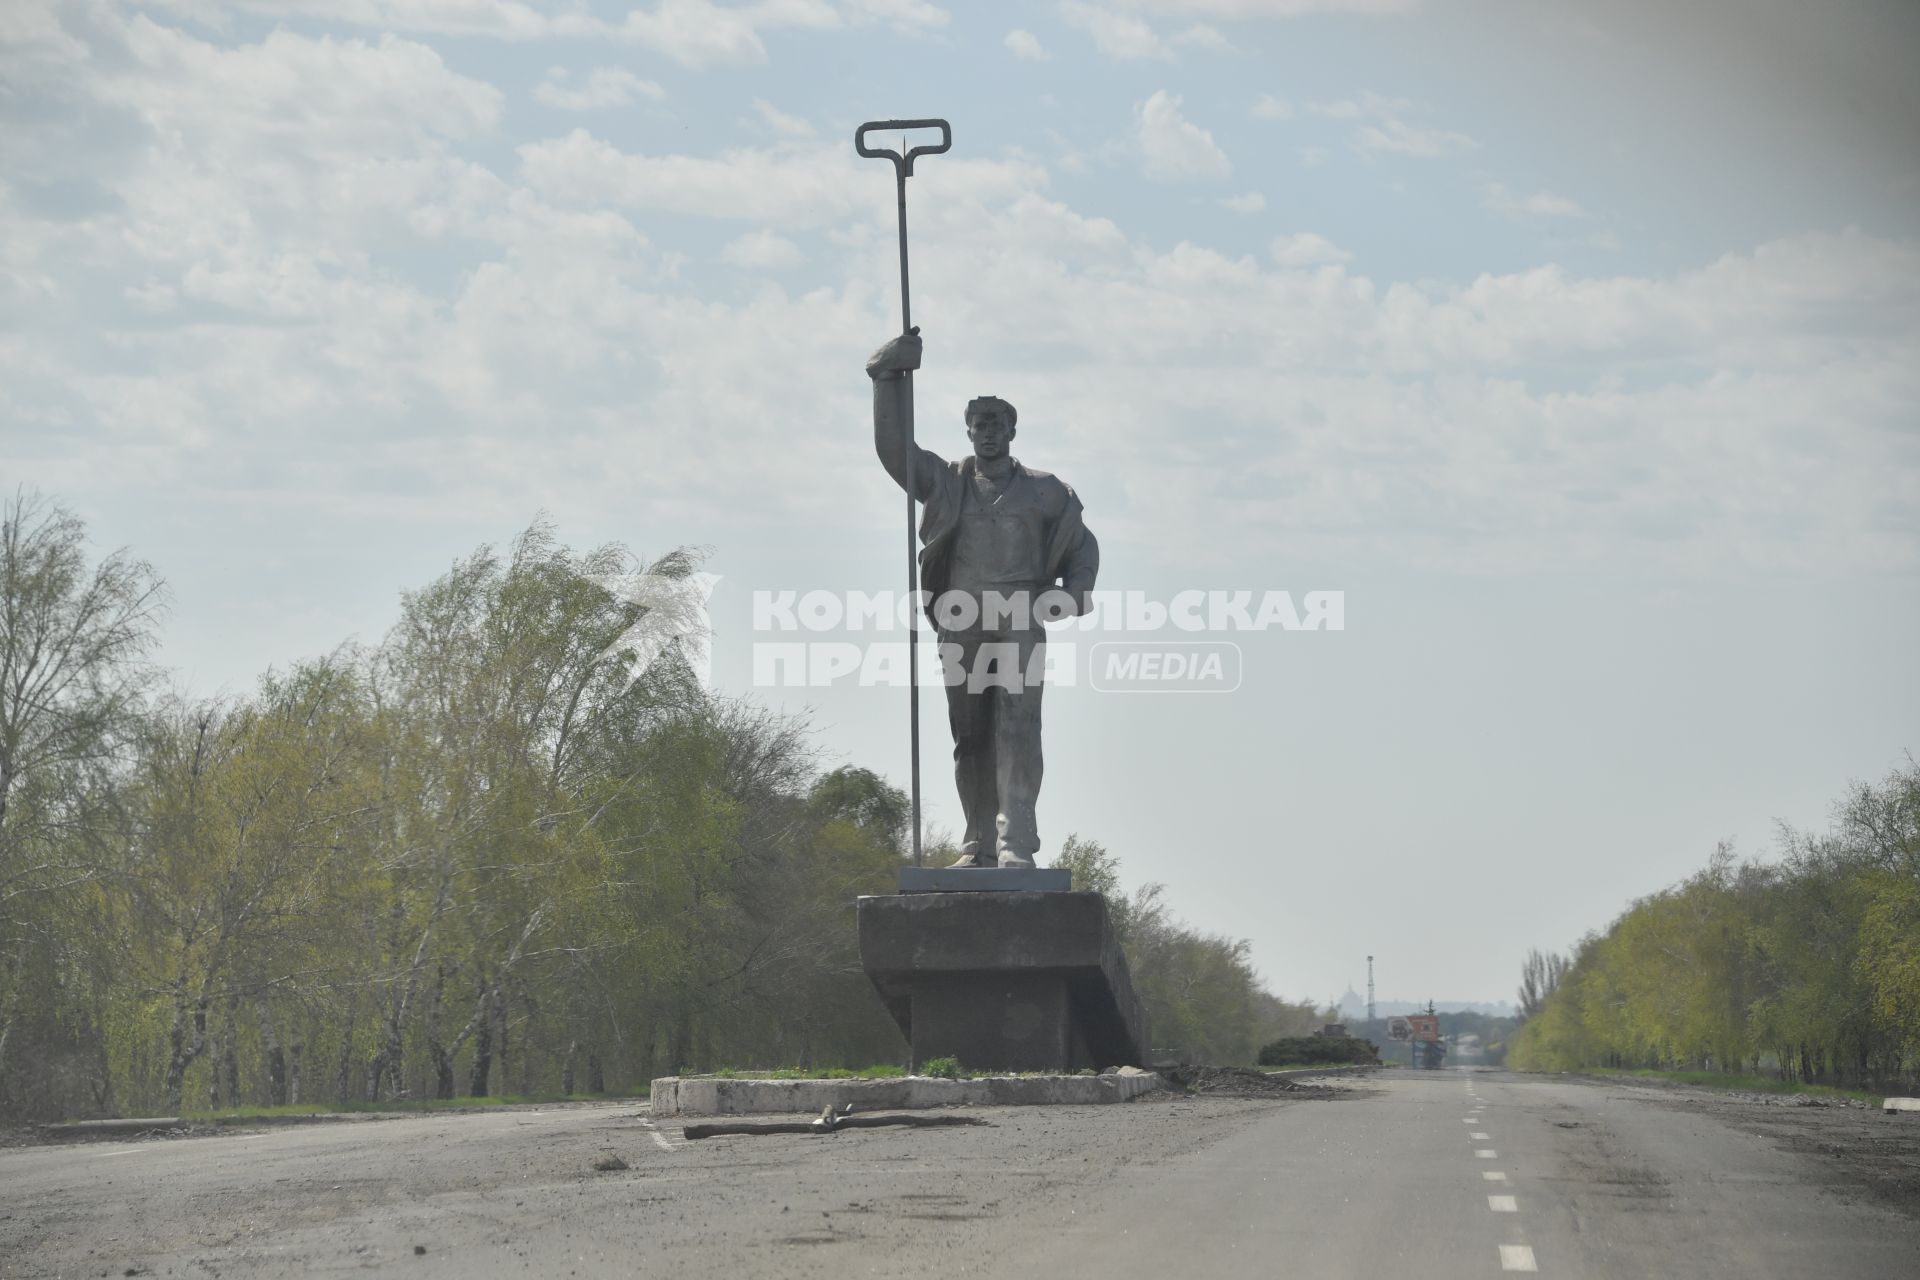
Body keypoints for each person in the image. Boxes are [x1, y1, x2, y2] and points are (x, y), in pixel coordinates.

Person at [867, 328, 1099, 869]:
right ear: (967, 431)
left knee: (1018, 728)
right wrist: (886, 377)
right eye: (980, 425)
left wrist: (1075, 591)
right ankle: (979, 843)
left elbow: (1082, 548)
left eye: (998, 424)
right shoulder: (946, 481)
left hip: (1021, 614)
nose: (989, 433)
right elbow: (893, 450)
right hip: (961, 614)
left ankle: (1017, 840)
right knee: (969, 733)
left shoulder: (1047, 491)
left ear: (1014, 430)